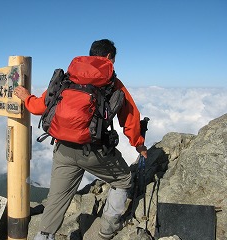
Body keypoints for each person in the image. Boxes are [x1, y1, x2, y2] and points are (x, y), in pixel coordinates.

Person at [14, 39, 147, 240]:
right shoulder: (113, 83)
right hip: (95, 151)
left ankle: (44, 236)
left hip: (63, 149)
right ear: (109, 57)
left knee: (57, 199)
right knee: (123, 180)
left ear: (90, 54)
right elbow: (130, 118)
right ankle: (107, 230)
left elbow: (40, 107)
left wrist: (26, 97)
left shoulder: (68, 79)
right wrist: (139, 145)